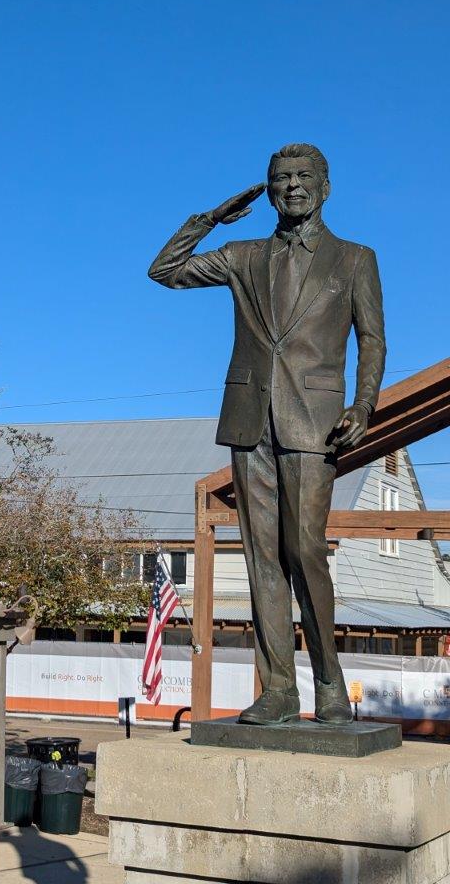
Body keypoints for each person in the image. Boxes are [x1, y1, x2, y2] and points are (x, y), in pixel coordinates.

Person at [148, 143, 385, 725]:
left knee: (304, 551)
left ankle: (330, 681)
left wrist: (364, 404)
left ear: (326, 187)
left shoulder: (354, 259)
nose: (292, 186)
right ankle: (279, 689)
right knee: (261, 559)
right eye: (281, 178)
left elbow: (372, 339)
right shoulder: (243, 254)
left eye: (304, 177)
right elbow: (165, 271)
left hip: (316, 422)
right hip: (251, 419)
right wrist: (209, 219)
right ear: (268, 188)